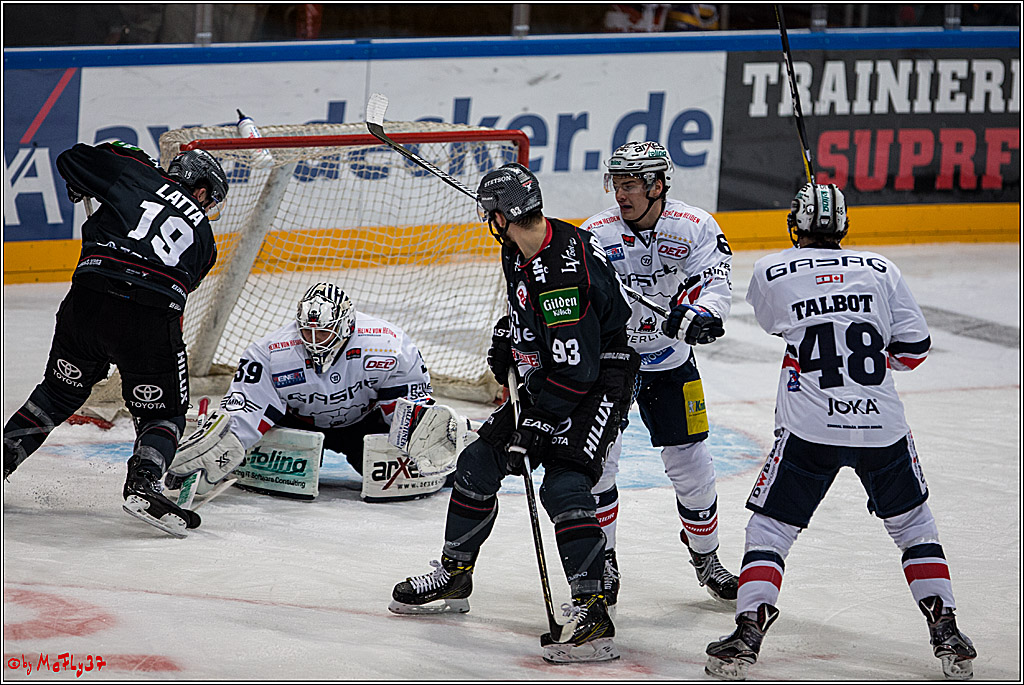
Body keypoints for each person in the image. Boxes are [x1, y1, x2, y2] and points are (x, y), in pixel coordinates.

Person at [704, 183, 977, 681]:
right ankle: (946, 628)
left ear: (795, 227)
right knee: (914, 526)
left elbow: (774, 324)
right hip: (882, 425)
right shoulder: (883, 269)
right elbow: (915, 350)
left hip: (811, 427)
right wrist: (868, 362)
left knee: (770, 530)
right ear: (845, 226)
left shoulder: (771, 269)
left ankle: (749, 629)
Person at [388, 163, 639, 664]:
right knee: (478, 463)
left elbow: (579, 371)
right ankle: (455, 573)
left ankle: (592, 611)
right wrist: (512, 334)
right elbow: (529, 314)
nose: (489, 221)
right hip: (555, 375)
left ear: (503, 216)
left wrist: (539, 424)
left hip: (597, 381)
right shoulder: (519, 247)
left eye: (491, 213)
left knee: (564, 484)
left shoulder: (565, 278)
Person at [3, 141, 228, 538]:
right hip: (148, 318)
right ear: (201, 190)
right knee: (164, 413)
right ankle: (143, 481)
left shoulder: (137, 174)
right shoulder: (206, 240)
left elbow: (69, 157)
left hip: (86, 302)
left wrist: (93, 174)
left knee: (58, 394)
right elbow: (178, 285)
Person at [580, 141, 738, 609]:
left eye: (630, 184)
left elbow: (714, 281)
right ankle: (603, 559)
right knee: (600, 464)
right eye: (616, 183)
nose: (620, 194)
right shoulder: (595, 234)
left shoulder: (694, 226)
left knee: (692, 466)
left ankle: (706, 557)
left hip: (671, 361)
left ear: (657, 184)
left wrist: (700, 314)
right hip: (612, 366)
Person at [166, 282, 443, 501]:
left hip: (363, 426)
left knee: (404, 477)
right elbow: (246, 410)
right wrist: (222, 447)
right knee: (275, 476)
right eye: (306, 331)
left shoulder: (389, 344)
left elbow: (409, 408)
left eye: (323, 332)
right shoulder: (270, 352)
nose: (313, 341)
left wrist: (424, 435)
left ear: (345, 325)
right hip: (298, 425)